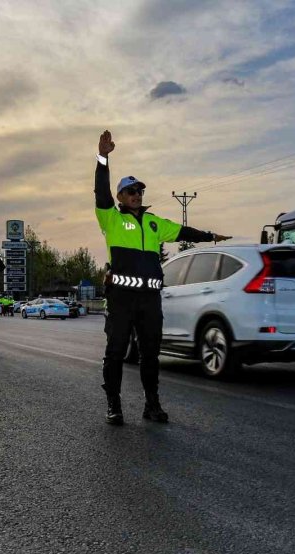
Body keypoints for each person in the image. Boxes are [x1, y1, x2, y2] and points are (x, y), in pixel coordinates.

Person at [95, 129, 231, 425]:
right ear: (120, 196)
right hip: (121, 298)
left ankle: (151, 405)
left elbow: (183, 231)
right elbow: (100, 191)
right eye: (131, 191)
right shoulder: (111, 218)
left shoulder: (155, 223)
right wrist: (103, 158)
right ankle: (113, 405)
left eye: (140, 191)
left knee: (150, 355)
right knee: (116, 352)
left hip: (149, 300)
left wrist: (210, 236)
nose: (136, 195)